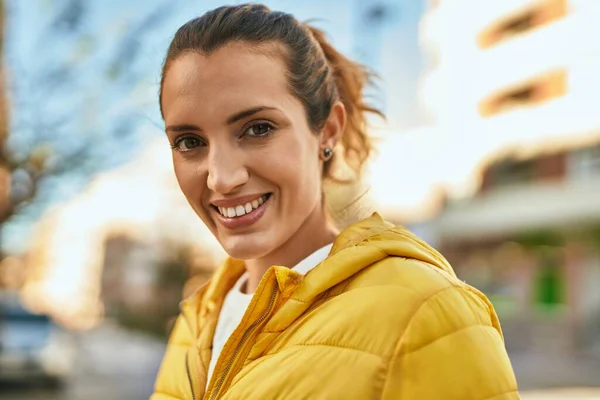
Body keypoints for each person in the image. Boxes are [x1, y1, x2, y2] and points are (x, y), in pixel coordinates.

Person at [150, 4, 519, 400]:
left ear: (327, 132)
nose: (221, 177)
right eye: (190, 142)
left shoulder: (426, 312)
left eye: (257, 129)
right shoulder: (196, 321)